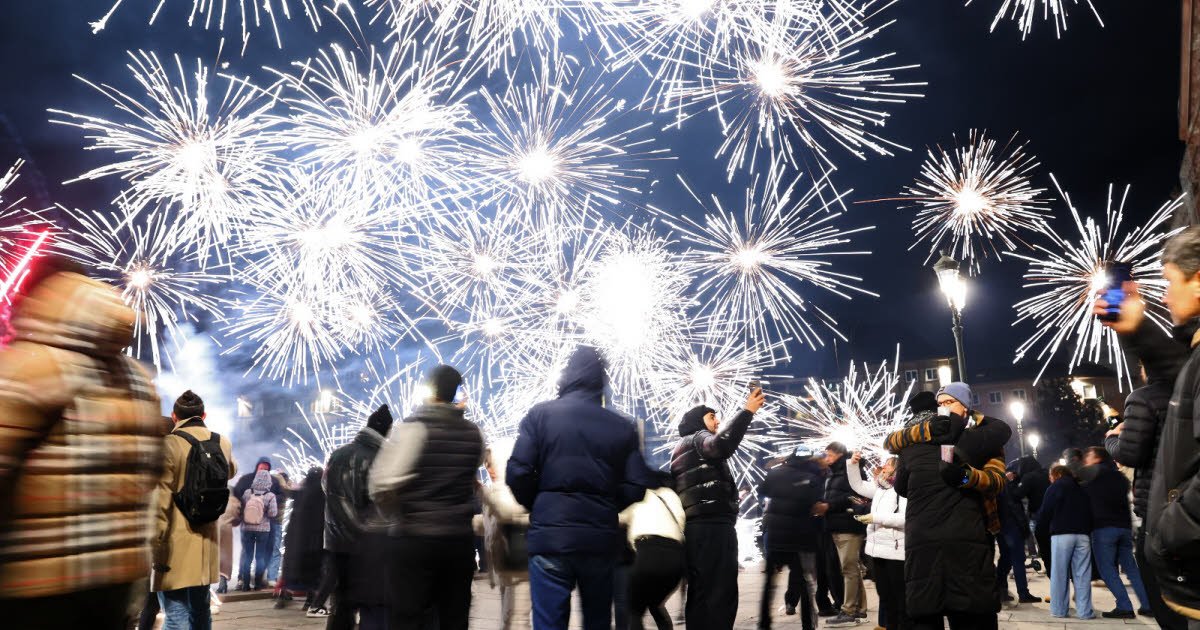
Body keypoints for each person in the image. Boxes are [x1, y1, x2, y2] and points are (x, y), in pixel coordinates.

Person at [0, 259, 165, 628]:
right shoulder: (138, 380)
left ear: (41, 296)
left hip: (35, 579)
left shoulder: (30, 366)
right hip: (117, 579)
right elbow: (152, 473)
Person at [507, 346, 658, 630]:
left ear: (566, 375)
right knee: (598, 621)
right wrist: (607, 505)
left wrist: (538, 504)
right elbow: (638, 483)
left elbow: (518, 472)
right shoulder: (621, 426)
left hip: (550, 537)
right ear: (601, 380)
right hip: (599, 539)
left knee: (548, 623)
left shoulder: (540, 416)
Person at [1095, 226, 1200, 626]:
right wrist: (1137, 330)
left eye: (1171, 282)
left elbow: (1133, 450)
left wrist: (1169, 527)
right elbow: (1181, 374)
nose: (1165, 295)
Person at [885, 385, 1011, 630]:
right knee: (964, 612)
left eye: (950, 402)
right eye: (940, 404)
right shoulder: (923, 440)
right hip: (947, 540)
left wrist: (965, 477)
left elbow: (997, 481)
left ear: (966, 407)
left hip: (948, 539)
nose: (943, 408)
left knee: (937, 610)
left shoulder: (979, 438)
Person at [371, 364, 485, 630]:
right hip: (458, 542)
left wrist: (395, 515)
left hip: (414, 540)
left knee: (407, 617)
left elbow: (381, 485)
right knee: (454, 618)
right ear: (456, 393)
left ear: (430, 390)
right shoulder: (475, 433)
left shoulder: (411, 429)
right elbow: (472, 475)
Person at [670, 386, 767, 630]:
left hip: (695, 528)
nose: (717, 421)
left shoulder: (679, 448)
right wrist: (747, 412)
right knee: (721, 593)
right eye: (712, 417)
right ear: (698, 421)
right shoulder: (699, 438)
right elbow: (721, 445)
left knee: (700, 593)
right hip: (714, 526)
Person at [1104, 364, 1190, 629]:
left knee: (1159, 587)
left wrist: (1112, 438)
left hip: (1160, 508)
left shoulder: (1145, 398)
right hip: (1190, 503)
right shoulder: (1191, 390)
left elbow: (1130, 453)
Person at [151, 391, 238, 630]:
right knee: (201, 612)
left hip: (175, 543)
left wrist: (154, 542)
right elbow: (231, 470)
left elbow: (160, 499)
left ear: (174, 416)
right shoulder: (222, 442)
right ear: (203, 415)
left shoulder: (170, 443)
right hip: (207, 543)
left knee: (175, 614)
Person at [316, 404, 393, 627]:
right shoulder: (379, 458)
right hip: (368, 541)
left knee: (342, 602)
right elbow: (381, 500)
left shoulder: (337, 454)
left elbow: (326, 488)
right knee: (372, 601)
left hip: (336, 540)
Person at [1078, 447, 1152, 618]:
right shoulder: (1120, 476)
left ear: (1097, 458)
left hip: (1103, 527)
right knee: (1131, 569)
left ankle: (1125, 606)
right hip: (1124, 527)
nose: (1085, 460)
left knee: (1107, 569)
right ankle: (1148, 605)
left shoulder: (1092, 474)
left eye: (1088, 456)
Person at [758, 447, 826, 630]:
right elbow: (817, 506)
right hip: (801, 539)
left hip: (775, 537)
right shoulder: (812, 479)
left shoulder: (774, 474)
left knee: (769, 584)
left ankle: (764, 623)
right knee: (805, 585)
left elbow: (762, 493)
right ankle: (808, 625)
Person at [847, 451, 908, 630]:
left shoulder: (903, 490)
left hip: (896, 552)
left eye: (888, 464)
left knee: (900, 599)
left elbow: (907, 519)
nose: (883, 467)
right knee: (886, 597)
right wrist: (852, 465)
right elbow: (857, 485)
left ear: (897, 468)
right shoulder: (881, 487)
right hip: (877, 551)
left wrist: (876, 518)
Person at [477, 438, 532, 630]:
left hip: (519, 561)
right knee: (508, 616)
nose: (488, 470)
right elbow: (491, 525)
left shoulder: (509, 492)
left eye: (491, 464)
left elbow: (507, 512)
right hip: (507, 562)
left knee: (517, 618)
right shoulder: (497, 490)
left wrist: (485, 493)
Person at [621, 476, 686, 630]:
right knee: (655, 604)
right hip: (676, 560)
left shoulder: (641, 496)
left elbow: (619, 519)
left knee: (635, 610)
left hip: (648, 555)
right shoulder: (673, 498)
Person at [1035, 465, 1094, 620]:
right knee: (1082, 574)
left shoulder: (1055, 487)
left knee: (1059, 574)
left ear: (1057, 474)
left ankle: (1059, 610)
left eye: (1050, 476)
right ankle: (1085, 612)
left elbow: (1045, 512)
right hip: (1083, 535)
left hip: (1062, 534)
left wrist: (1040, 532)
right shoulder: (1082, 488)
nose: (1050, 479)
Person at [821, 441, 868, 627]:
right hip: (836, 525)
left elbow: (857, 497)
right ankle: (860, 609)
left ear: (839, 454)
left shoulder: (852, 469)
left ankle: (849, 611)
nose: (826, 458)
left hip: (849, 525)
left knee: (849, 569)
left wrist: (829, 505)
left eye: (829, 455)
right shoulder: (832, 472)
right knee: (851, 568)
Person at [278, 466, 326, 610]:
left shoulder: (300, 493)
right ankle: (310, 601)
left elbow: (288, 493)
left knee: (290, 570)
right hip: (313, 539)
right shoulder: (323, 493)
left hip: (295, 539)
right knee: (313, 572)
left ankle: (282, 597)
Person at [233, 456, 283, 590]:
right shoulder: (270, 494)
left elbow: (240, 501)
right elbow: (273, 513)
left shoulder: (247, 491)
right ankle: (257, 583)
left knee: (247, 555)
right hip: (263, 529)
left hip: (247, 526)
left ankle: (244, 583)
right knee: (260, 556)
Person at [994, 480, 1037, 604]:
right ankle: (1023, 593)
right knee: (1018, 560)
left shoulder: (994, 487)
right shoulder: (1008, 487)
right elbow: (1015, 509)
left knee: (1005, 559)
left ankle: (1002, 590)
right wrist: (1024, 528)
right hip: (1012, 527)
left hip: (1000, 527)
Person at [1009, 456, 1051, 576]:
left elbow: (1017, 495)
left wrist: (1013, 482)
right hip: (1052, 513)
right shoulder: (1047, 473)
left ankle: (1050, 567)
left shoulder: (1029, 477)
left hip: (1038, 513)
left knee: (1043, 543)